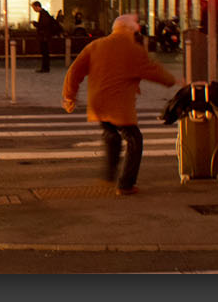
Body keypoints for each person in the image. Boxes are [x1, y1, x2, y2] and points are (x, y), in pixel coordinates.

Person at [62, 14, 177, 196]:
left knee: (111, 134)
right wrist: (173, 81)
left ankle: (108, 176)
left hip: (97, 103)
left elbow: (74, 70)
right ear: (129, 30)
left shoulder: (96, 45)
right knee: (134, 139)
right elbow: (153, 70)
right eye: (134, 29)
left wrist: (69, 96)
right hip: (118, 105)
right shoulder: (132, 49)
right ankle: (126, 184)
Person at [30, 1, 64, 73]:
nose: (34, 9)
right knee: (45, 52)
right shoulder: (44, 13)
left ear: (37, 6)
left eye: (34, 8)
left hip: (44, 36)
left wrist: (35, 24)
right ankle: (45, 67)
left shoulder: (43, 14)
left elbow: (43, 25)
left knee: (45, 52)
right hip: (45, 36)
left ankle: (45, 68)